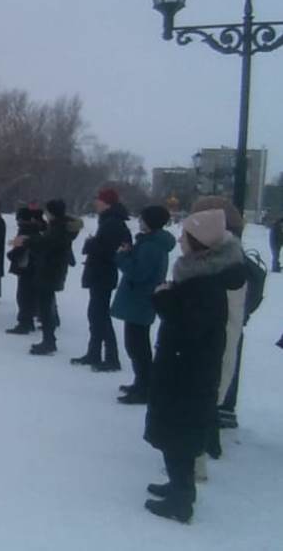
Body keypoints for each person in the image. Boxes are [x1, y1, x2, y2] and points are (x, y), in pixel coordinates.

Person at [142, 209, 245, 524]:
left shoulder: (206, 281)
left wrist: (164, 300)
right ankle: (178, 485)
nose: (180, 241)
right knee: (175, 433)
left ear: (198, 241)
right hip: (185, 367)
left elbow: (190, 326)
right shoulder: (201, 273)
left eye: (185, 236)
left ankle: (181, 499)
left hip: (188, 372)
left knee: (179, 434)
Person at [190, 196, 247, 432]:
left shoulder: (222, 262)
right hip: (219, 333)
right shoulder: (226, 255)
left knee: (220, 364)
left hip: (213, 337)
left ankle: (215, 415)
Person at [112, 206, 175, 405]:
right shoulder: (150, 242)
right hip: (140, 299)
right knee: (136, 344)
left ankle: (144, 387)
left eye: (142, 219)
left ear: (150, 222)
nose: (139, 221)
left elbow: (139, 273)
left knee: (137, 346)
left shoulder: (151, 246)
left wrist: (122, 257)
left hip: (140, 299)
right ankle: (141, 383)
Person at [73, 187, 131, 372]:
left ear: (107, 203)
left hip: (103, 274)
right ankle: (94, 353)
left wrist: (91, 244)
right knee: (96, 314)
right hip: (101, 273)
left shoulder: (112, 222)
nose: (95, 202)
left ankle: (111, 358)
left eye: (98, 199)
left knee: (100, 316)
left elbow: (109, 250)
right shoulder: (109, 220)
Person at [19, 199, 83, 356]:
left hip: (50, 271)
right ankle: (48, 339)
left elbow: (46, 243)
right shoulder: (60, 226)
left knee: (46, 307)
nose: (45, 214)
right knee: (46, 305)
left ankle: (48, 342)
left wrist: (27, 241)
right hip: (50, 270)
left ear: (52, 213)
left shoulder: (59, 229)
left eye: (47, 211)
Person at [5, 207, 42, 335]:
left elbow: (20, 250)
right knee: (29, 295)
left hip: (25, 267)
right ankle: (29, 321)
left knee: (23, 296)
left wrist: (10, 255)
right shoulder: (36, 229)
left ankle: (24, 323)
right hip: (33, 267)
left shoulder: (25, 231)